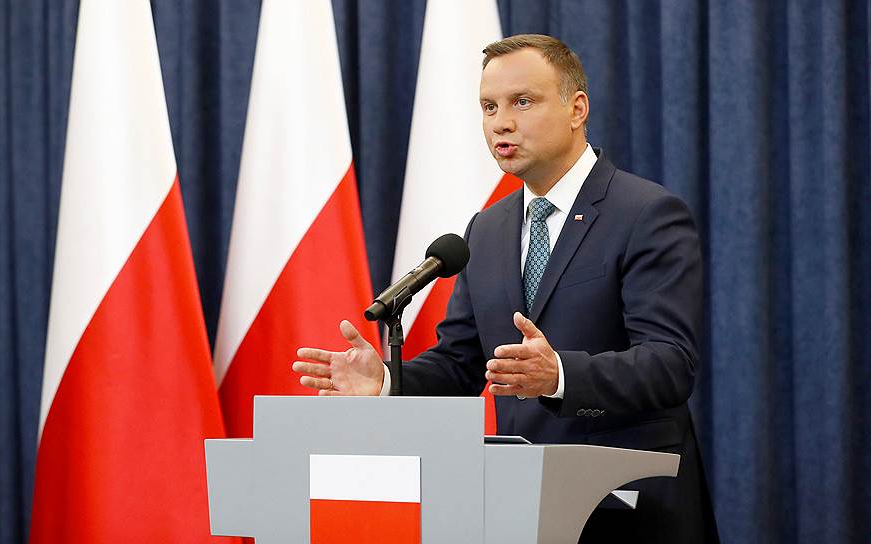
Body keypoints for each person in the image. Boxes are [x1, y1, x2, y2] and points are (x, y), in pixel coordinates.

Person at [293, 34, 718, 543]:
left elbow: (670, 364)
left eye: (523, 101)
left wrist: (559, 375)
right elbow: (460, 363)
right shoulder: (487, 230)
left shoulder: (646, 214)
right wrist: (385, 380)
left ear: (577, 108)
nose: (501, 122)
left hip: (631, 508)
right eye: (489, 107)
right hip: (525, 507)